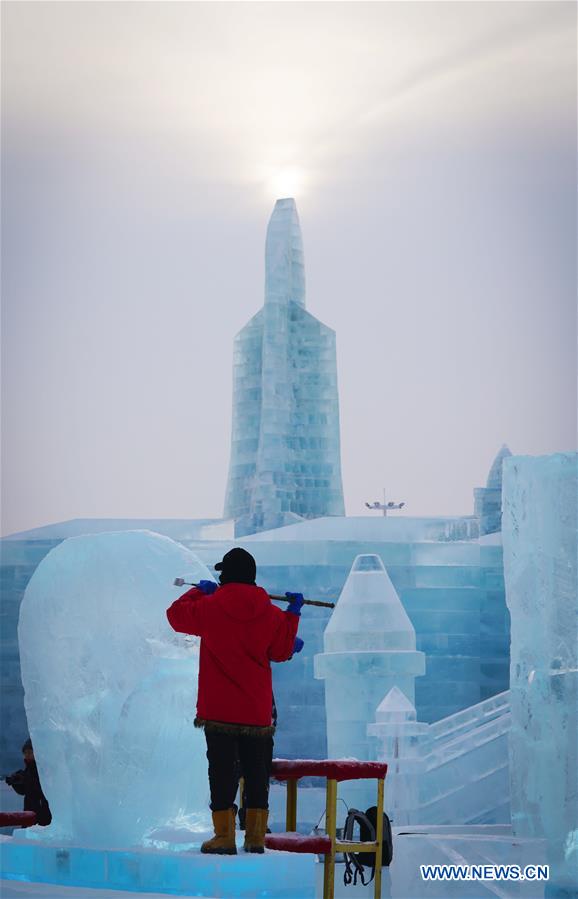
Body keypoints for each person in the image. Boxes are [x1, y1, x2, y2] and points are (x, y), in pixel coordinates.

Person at [166, 547, 303, 855]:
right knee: (256, 773)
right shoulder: (270, 611)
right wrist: (293, 613)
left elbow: (175, 617)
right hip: (255, 711)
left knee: (222, 772)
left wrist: (198, 595)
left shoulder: (211, 607)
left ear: (225, 575)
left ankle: (224, 837)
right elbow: (281, 651)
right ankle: (255, 837)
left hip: (219, 709)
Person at [5, 738, 52, 826]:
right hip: (29, 810)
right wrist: (15, 782)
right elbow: (23, 791)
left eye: (30, 752)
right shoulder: (28, 769)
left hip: (42, 812)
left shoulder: (42, 768)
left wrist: (23, 778)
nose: (27, 755)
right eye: (25, 753)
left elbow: (39, 786)